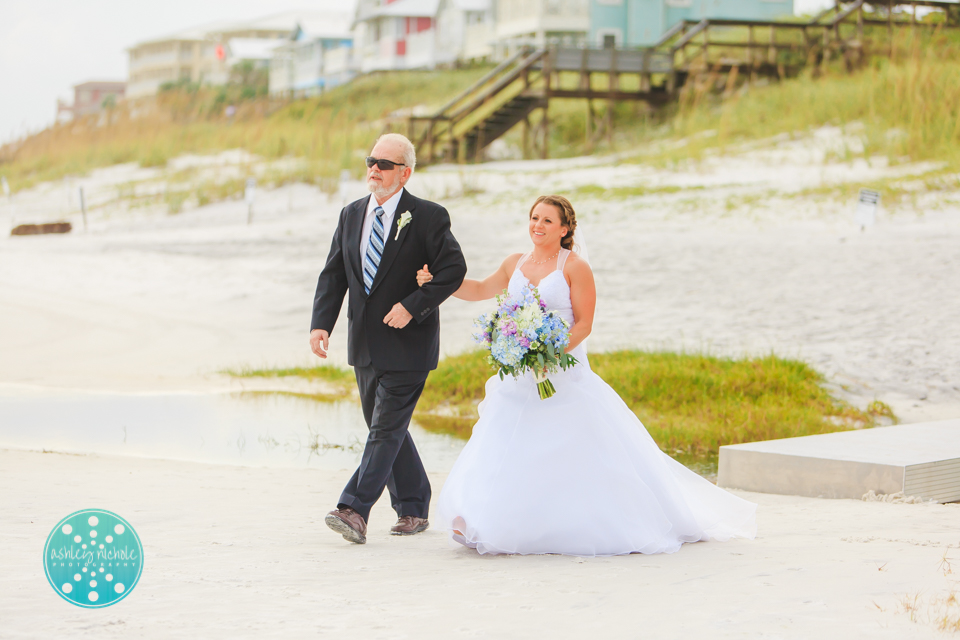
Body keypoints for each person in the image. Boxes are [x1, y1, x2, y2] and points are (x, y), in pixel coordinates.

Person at [415, 195, 756, 556]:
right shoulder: (515, 262)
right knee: (501, 441)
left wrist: (549, 354)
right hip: (517, 377)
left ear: (564, 229)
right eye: (534, 218)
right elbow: (482, 289)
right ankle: (480, 519)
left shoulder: (574, 267)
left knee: (563, 449)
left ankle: (574, 523)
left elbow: (584, 324)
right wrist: (437, 282)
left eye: (547, 221)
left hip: (561, 374)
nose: (538, 226)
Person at [310, 133, 467, 544]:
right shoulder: (351, 214)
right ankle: (414, 507)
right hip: (362, 343)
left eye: (384, 164)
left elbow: (453, 270)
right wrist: (320, 323)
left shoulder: (429, 216)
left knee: (383, 431)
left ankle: (353, 510)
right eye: (370, 161)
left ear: (405, 173)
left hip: (409, 346)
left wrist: (414, 305)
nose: (374, 170)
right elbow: (335, 274)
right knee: (386, 430)